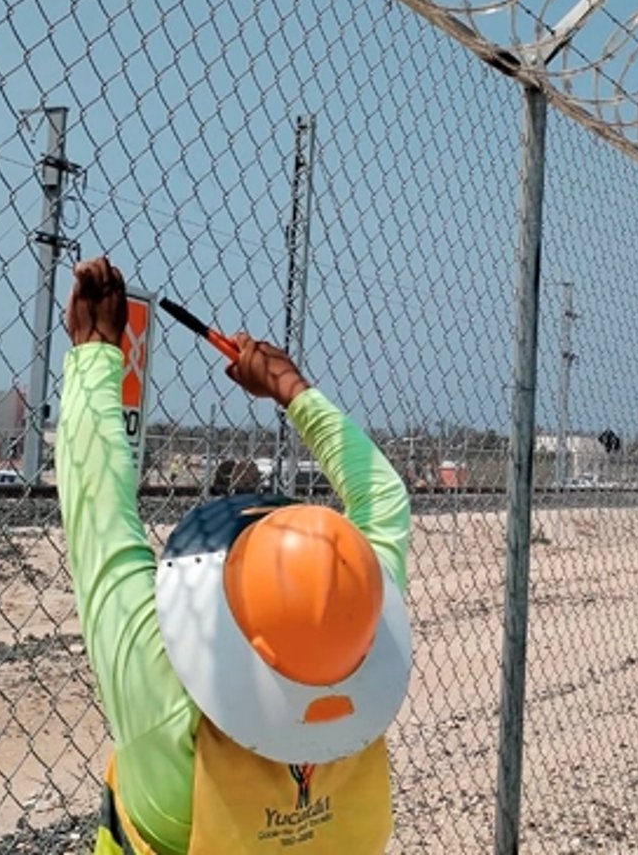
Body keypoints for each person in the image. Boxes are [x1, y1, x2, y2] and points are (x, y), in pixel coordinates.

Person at [55, 257, 412, 855]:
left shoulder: (172, 714)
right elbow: (383, 499)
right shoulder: (362, 635)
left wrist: (96, 354)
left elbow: (99, 515)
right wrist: (292, 390)